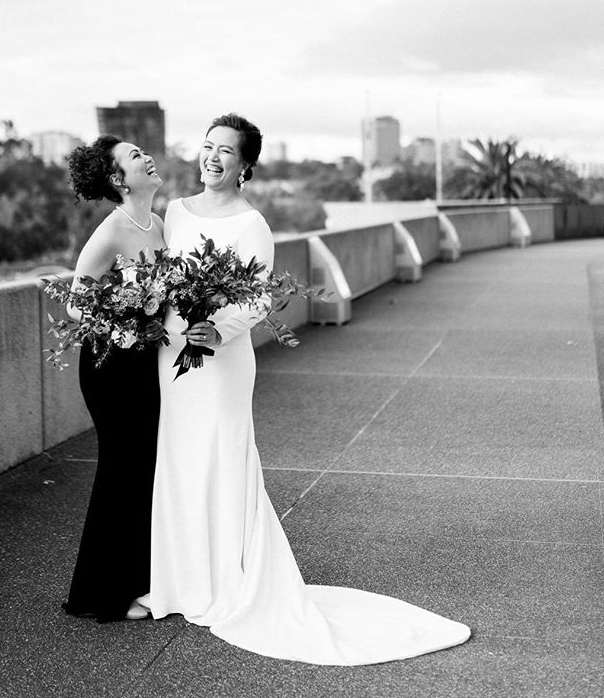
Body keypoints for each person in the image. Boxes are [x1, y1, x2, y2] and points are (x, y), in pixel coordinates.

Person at [145, 113, 470, 664]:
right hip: (172, 355)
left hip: (220, 362)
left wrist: (216, 329)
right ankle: (180, 581)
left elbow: (254, 300)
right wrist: (163, 315)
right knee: (178, 460)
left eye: (226, 151)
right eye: (207, 147)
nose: (213, 158)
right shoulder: (173, 213)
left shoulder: (252, 225)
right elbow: (154, 278)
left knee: (221, 457)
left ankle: (229, 578)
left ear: (245, 166)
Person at [63, 135, 165, 622]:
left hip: (146, 362)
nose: (145, 156)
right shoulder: (111, 232)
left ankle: (142, 579)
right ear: (118, 179)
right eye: (133, 156)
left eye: (142, 151)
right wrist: (122, 323)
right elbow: (76, 300)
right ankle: (101, 595)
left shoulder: (158, 223)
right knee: (121, 470)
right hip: (110, 366)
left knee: (144, 469)